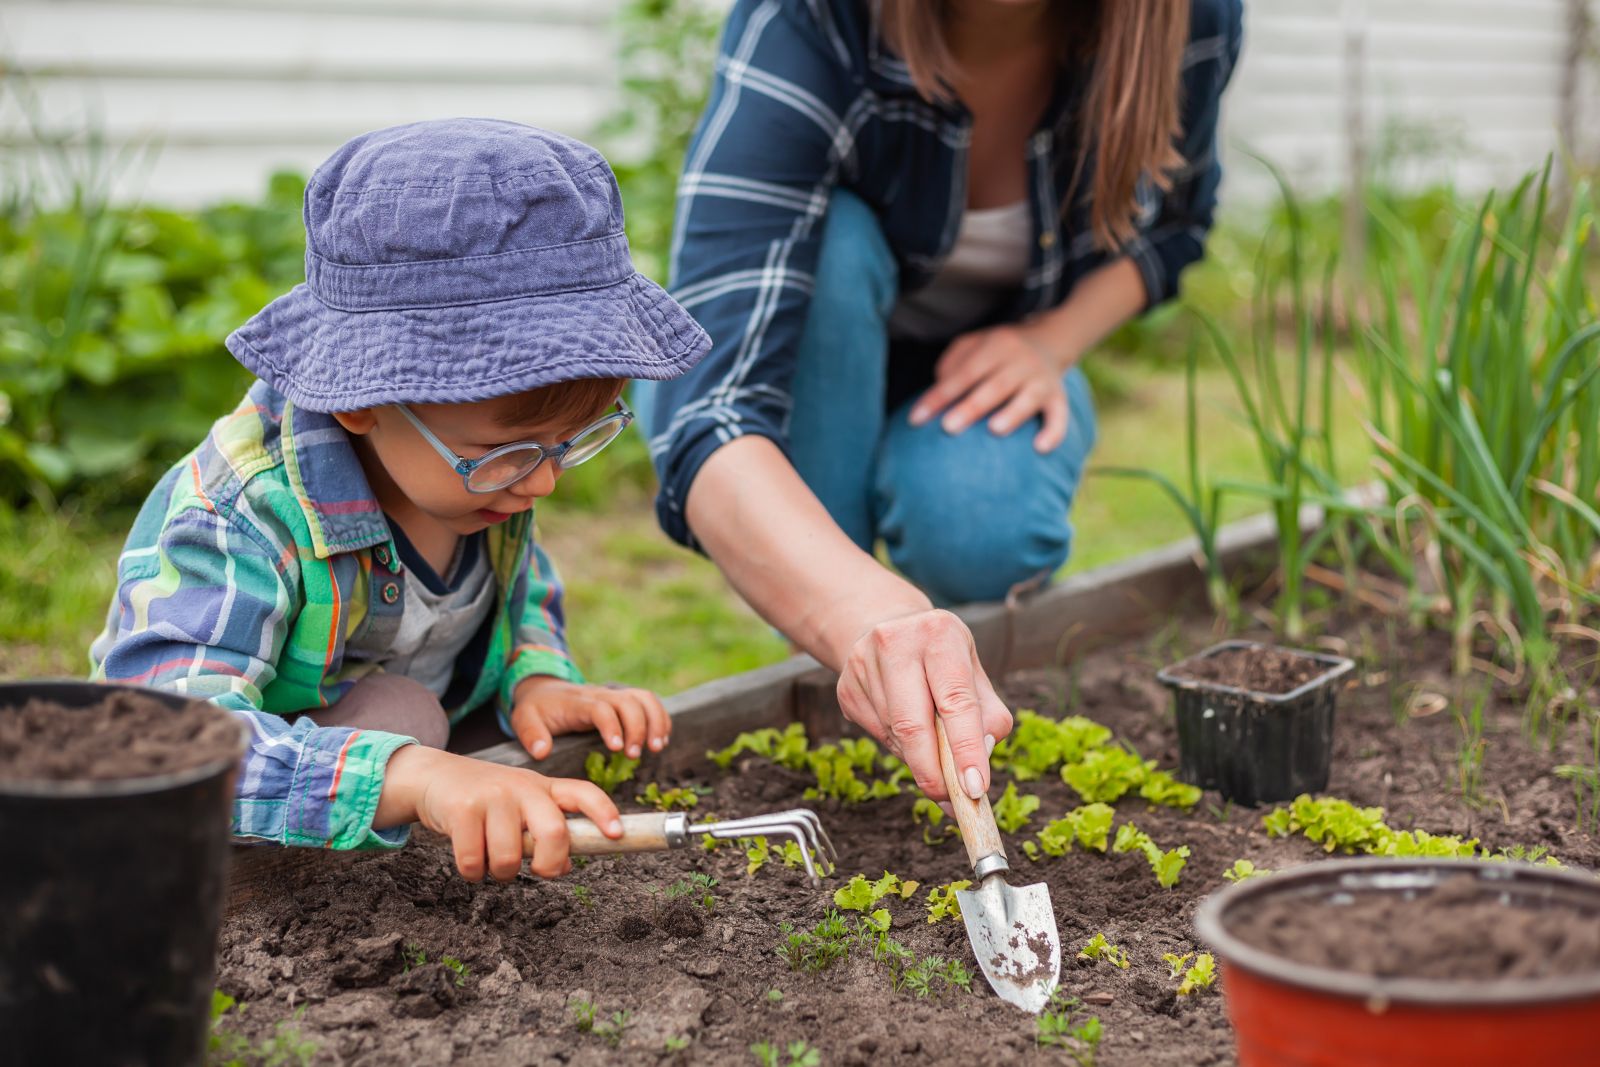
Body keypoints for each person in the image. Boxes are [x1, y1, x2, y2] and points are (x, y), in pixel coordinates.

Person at [639, 0, 1243, 805]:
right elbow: (705, 403)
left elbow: (1179, 227)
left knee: (979, 529)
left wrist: (1052, 341)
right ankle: (842, 638)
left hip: (983, 360)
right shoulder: (813, 21)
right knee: (837, 243)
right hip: (811, 354)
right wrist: (864, 611)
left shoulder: (1188, 19)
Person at [89, 119, 712, 882]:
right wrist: (415, 777)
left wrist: (537, 678)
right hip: (240, 809)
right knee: (404, 718)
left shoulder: (479, 478)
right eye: (509, 453)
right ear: (361, 400)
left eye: (573, 442)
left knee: (452, 729)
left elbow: (521, 589)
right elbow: (166, 741)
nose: (544, 482)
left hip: (415, 724)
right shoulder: (236, 517)